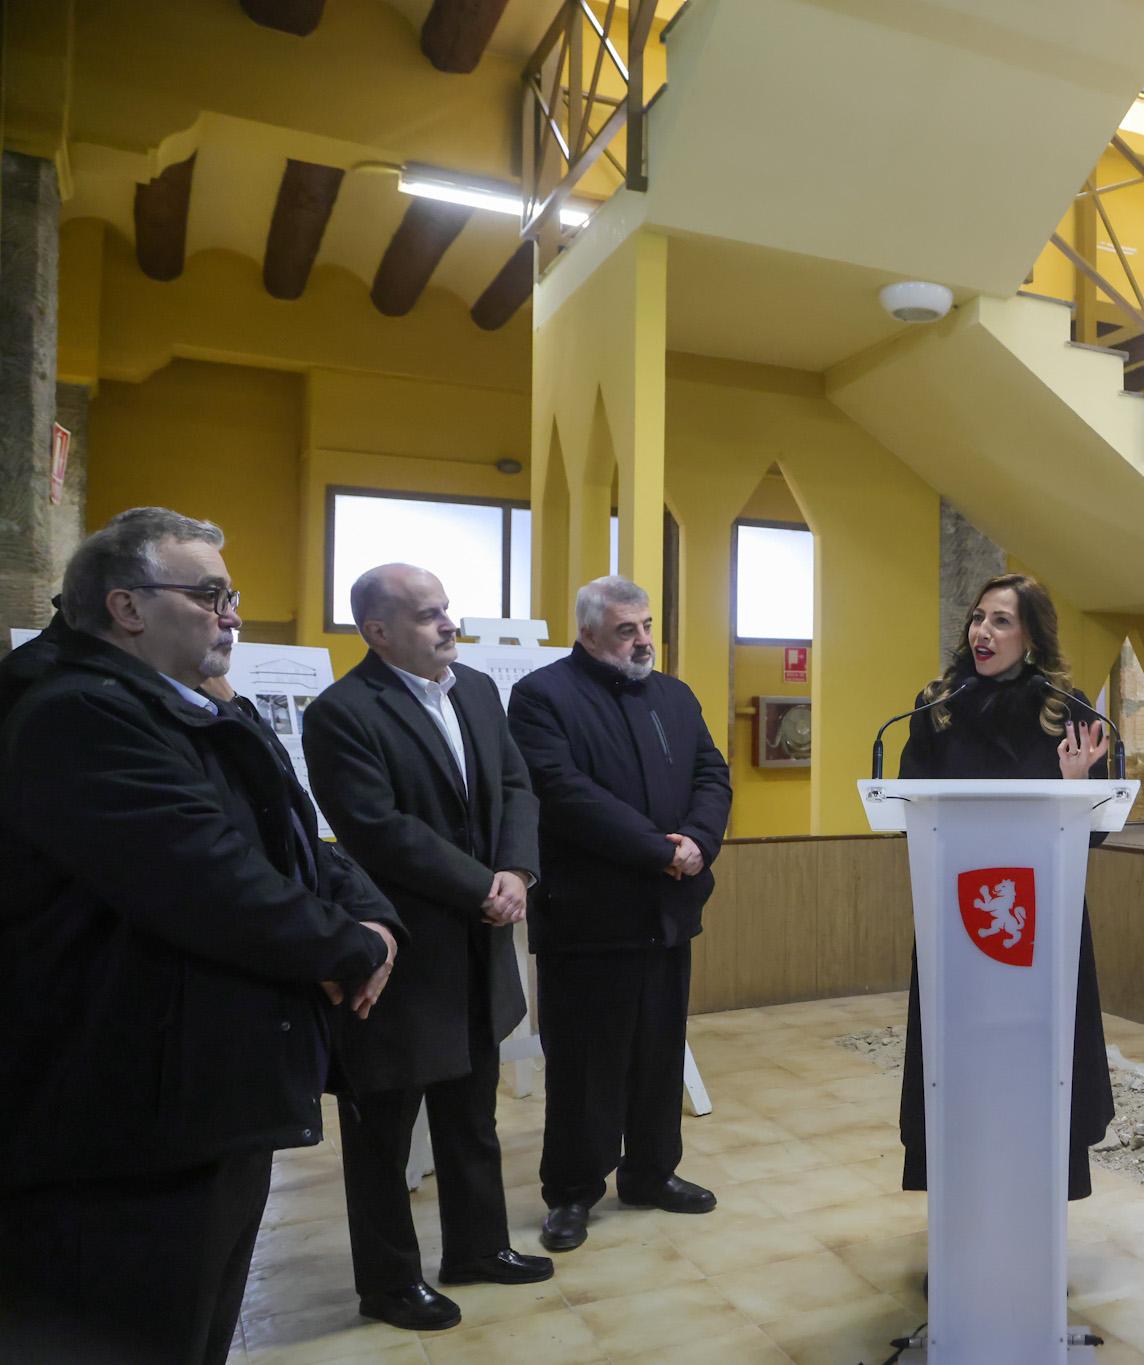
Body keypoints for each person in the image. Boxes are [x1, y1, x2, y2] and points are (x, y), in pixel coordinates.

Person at [0, 508, 403, 1365]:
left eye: (232, 594)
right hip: (127, 1116)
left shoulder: (196, 709)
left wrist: (372, 920)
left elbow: (294, 834)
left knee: (200, 1325)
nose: (231, 613)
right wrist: (350, 948)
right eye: (209, 594)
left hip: (208, 1090)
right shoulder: (79, 716)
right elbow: (213, 880)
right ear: (127, 608)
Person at [301, 565, 553, 1331]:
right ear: (377, 631)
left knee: (471, 1109)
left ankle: (477, 1248)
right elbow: (380, 828)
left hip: (480, 940)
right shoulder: (342, 712)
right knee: (384, 1127)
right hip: (402, 949)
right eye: (426, 614)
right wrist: (483, 884)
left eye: (447, 610)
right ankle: (388, 1281)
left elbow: (515, 784)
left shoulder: (474, 688)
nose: (449, 624)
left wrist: (515, 869)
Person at [507, 575, 732, 1252]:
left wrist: (699, 840)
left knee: (658, 1051)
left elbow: (711, 774)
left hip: (666, 908)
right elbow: (563, 793)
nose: (642, 641)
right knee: (584, 1062)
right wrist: (657, 851)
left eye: (646, 626)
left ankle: (651, 1172)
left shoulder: (674, 694)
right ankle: (572, 1191)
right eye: (625, 630)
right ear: (587, 632)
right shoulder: (543, 696)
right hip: (588, 915)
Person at [896, 572, 1115, 1209]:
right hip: (956, 926)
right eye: (978, 618)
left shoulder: (1066, 712)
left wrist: (1080, 792)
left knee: (1036, 1078)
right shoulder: (935, 706)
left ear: (1031, 636)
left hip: (1041, 929)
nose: (982, 632)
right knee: (960, 1078)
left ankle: (1034, 1241)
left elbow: (1093, 836)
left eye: (1001, 620)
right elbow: (907, 811)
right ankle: (963, 1236)